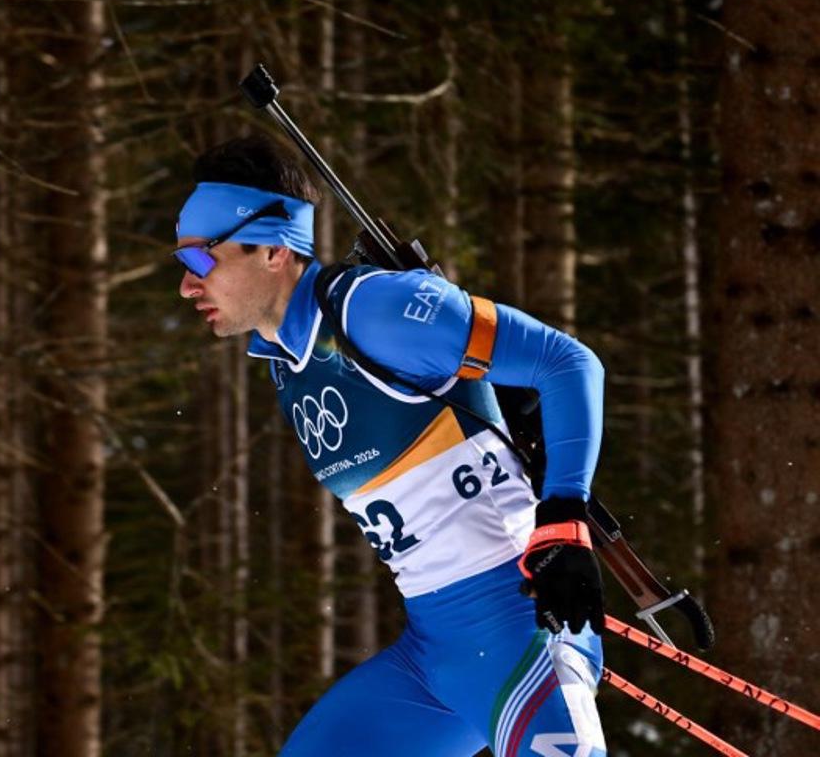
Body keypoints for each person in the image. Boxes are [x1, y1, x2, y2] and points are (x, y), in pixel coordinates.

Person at [173, 134, 609, 756]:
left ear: (271, 248)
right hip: (430, 659)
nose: (187, 287)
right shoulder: (288, 362)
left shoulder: (378, 310)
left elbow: (567, 362)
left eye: (200, 262)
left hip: (523, 632)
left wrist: (565, 521)